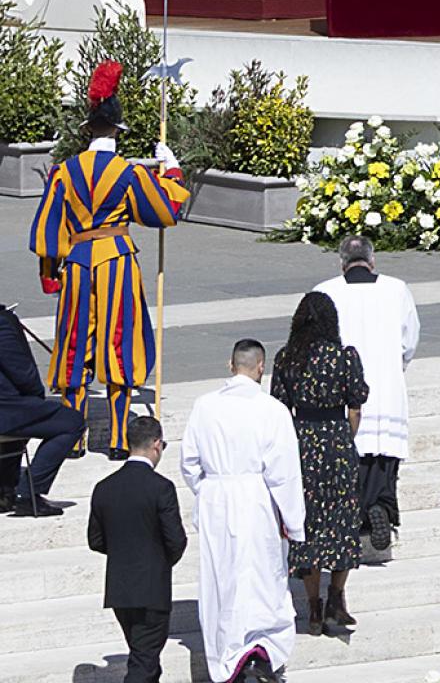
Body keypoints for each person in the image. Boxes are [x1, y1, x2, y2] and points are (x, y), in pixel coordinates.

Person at [28, 60, 190, 452]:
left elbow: (49, 228)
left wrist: (51, 274)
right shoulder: (128, 172)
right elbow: (164, 211)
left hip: (79, 263)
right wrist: (172, 171)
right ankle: (118, 439)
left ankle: (72, 437)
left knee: (74, 346)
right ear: (118, 131)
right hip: (116, 259)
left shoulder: (65, 172)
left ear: (88, 130)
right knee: (119, 344)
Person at [182, 336, 305, 683]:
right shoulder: (271, 409)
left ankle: (230, 655)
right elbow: (284, 472)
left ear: (230, 365)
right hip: (256, 500)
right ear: (261, 367)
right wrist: (294, 523)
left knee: (222, 578)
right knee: (261, 577)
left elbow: (189, 461)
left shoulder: (205, 406)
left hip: (216, 500)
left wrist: (207, 491)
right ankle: (258, 651)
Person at [310, 236, 418, 564]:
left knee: (349, 456)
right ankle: (382, 507)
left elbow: (317, 339)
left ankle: (356, 517)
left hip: (344, 388)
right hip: (385, 385)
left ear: (342, 263)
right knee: (384, 458)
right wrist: (394, 366)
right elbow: (409, 339)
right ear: (373, 261)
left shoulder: (325, 290)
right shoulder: (396, 288)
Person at [270, 290, 369, 635]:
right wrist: (343, 438)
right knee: (343, 521)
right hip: (337, 441)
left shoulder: (287, 358)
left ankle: (312, 607)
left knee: (307, 524)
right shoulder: (344, 357)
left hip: (301, 444)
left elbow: (279, 408)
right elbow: (355, 406)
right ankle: (336, 597)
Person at [87, 411, 184, 683]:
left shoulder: (104, 488)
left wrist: (124, 553)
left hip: (120, 590)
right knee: (144, 663)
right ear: (156, 444)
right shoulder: (161, 487)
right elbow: (176, 540)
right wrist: (157, 561)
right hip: (151, 589)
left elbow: (96, 540)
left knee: (145, 658)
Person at [4, 287, 87, 516]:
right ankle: (29, 492)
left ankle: (5, 489)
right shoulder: (2, 324)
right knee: (71, 422)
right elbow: (24, 374)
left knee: (27, 415)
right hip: (6, 409)